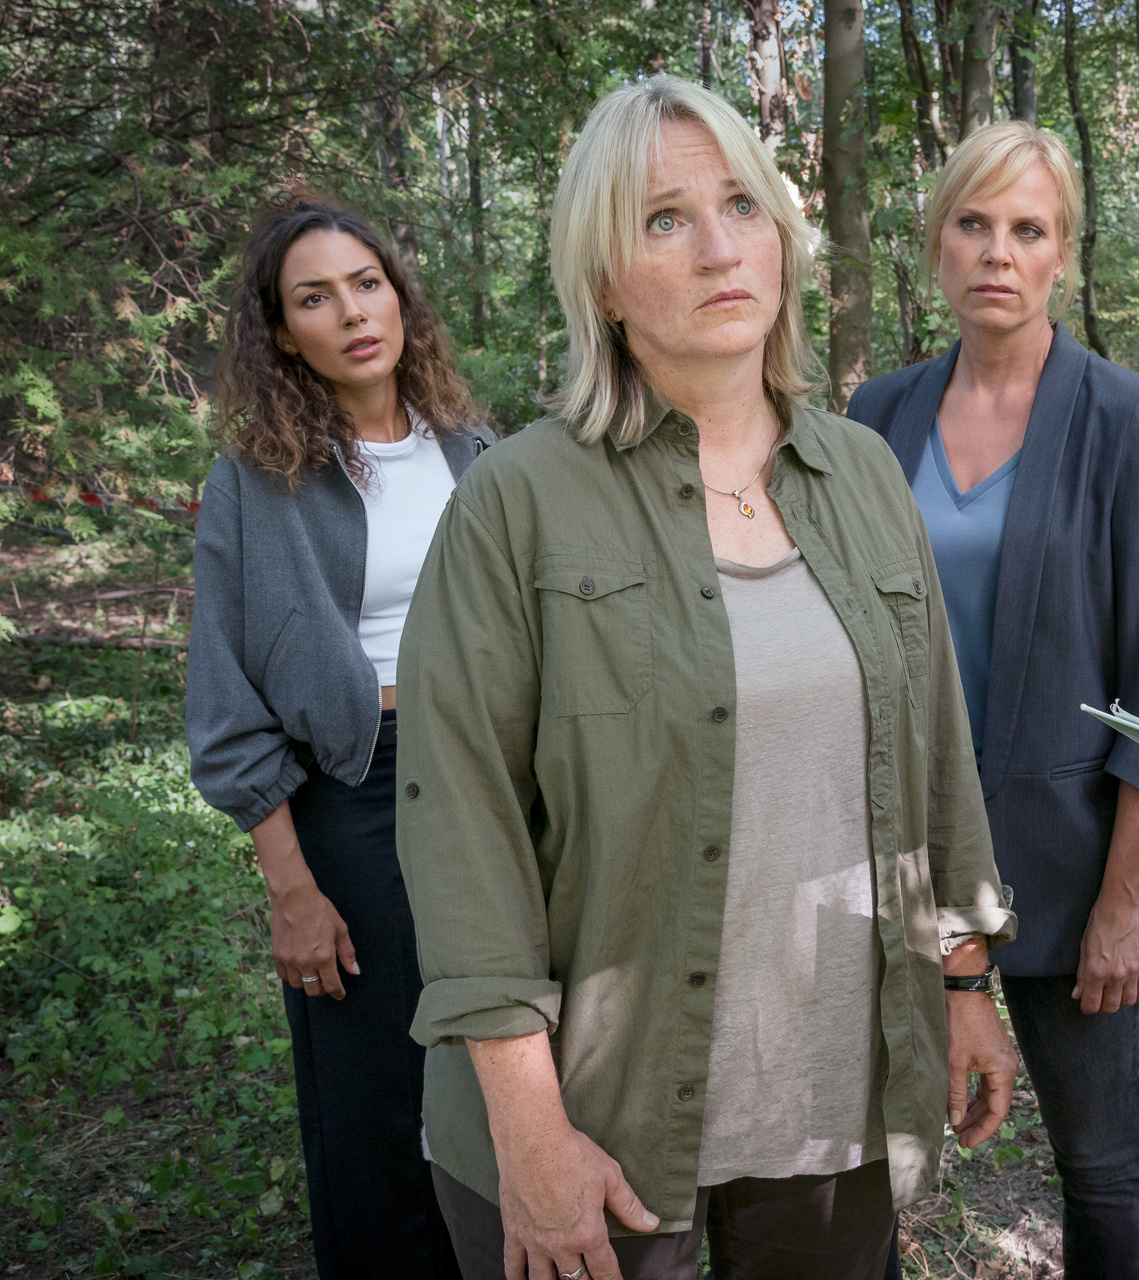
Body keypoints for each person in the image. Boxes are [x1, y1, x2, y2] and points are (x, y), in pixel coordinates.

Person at [391, 75, 1021, 1280]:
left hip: (834, 1102)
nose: (720, 247)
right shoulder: (517, 502)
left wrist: (963, 978)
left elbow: (935, 747)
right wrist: (530, 1129)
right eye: (664, 219)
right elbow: (460, 825)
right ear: (602, 281)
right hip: (603, 1116)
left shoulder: (866, 474)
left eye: (741, 205)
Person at [847, 122, 1139, 1280]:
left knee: (1103, 1163)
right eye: (973, 224)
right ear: (936, 245)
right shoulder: (876, 416)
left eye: (1028, 228)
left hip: (1071, 856)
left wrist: (1127, 897)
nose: (998, 251)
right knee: (858, 1157)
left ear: (1062, 254)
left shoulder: (1126, 417)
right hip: (900, 853)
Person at [187, 198, 487, 1279]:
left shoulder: (477, 452)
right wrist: (292, 888)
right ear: (281, 333)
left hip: (491, 781)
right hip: (358, 796)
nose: (353, 312)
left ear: (399, 297)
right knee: (376, 1103)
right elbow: (226, 698)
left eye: (367, 283)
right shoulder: (256, 481)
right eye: (314, 297)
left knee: (501, 1062)